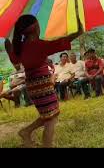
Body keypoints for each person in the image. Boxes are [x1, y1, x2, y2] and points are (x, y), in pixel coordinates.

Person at [4, 13, 83, 148]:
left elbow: (13, 55)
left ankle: (26, 132)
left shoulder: (19, 47)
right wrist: (80, 27)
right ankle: (45, 144)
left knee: (49, 114)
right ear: (35, 27)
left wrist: (8, 37)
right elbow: (64, 40)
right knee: (51, 118)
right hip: (42, 84)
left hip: (32, 85)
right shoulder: (39, 45)